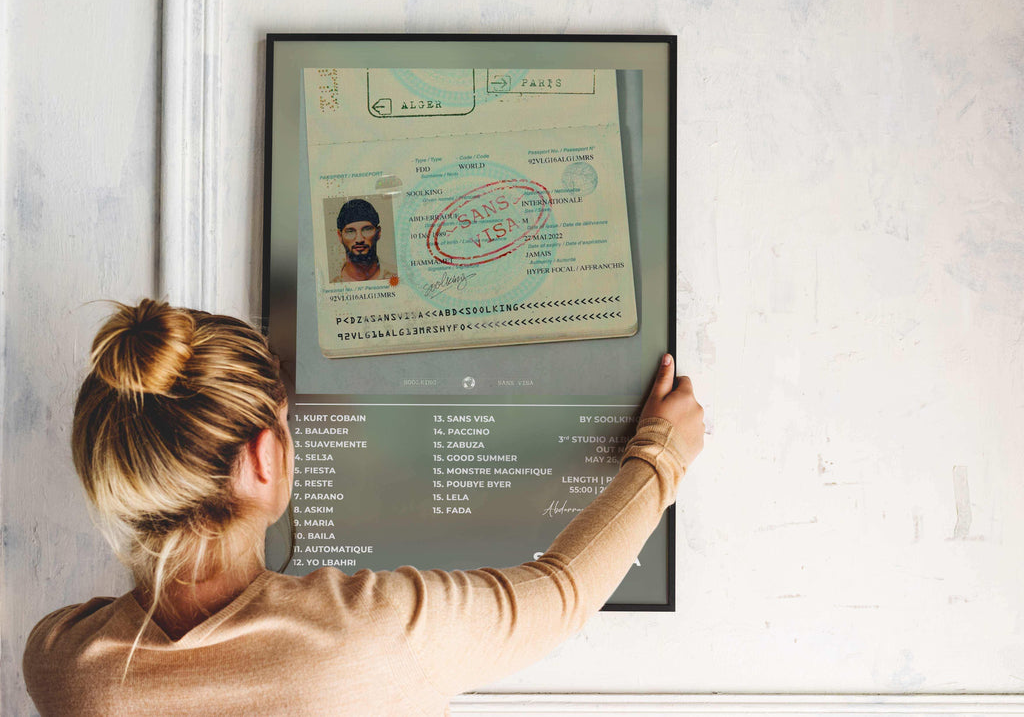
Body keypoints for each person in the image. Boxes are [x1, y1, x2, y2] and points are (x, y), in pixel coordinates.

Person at [23, 299, 704, 716]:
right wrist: (661, 452)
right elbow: (561, 591)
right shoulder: (373, 636)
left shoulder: (61, 664)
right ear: (262, 460)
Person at [331, 198, 397, 283]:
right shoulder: (330, 283)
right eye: (350, 231)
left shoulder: (398, 277)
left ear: (378, 232)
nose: (359, 239)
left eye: (367, 229)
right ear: (340, 236)